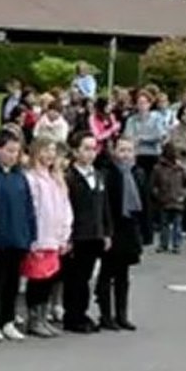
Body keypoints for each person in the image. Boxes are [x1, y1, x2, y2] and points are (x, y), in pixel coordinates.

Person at [0, 128, 36, 342]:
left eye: (16, 151)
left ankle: (8, 320)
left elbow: (28, 207)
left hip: (18, 236)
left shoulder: (20, 176)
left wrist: (30, 235)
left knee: (12, 282)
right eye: (9, 150)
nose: (13, 155)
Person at [63, 131, 112, 333]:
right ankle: (72, 316)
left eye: (94, 149)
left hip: (95, 233)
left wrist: (107, 232)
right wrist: (68, 236)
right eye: (86, 149)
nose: (91, 153)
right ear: (75, 151)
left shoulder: (98, 175)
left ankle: (82, 313)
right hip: (77, 235)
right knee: (75, 278)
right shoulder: (70, 177)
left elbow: (105, 206)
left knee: (87, 276)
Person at [23, 138, 72, 338]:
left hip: (54, 236)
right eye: (46, 150)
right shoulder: (32, 178)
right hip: (40, 236)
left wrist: (64, 234)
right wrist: (33, 237)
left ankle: (43, 315)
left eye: (53, 151)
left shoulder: (55, 179)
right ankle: (34, 318)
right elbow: (32, 209)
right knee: (37, 278)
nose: (50, 155)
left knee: (49, 278)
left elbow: (64, 207)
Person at [95, 137, 143, 331]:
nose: (125, 155)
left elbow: (144, 203)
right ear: (114, 152)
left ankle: (122, 314)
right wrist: (105, 231)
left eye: (129, 150)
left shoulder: (137, 174)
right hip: (113, 229)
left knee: (123, 274)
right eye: (122, 150)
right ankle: (106, 315)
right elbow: (104, 205)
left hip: (129, 228)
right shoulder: (107, 174)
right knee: (107, 273)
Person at [151, 141, 186, 254]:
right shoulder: (158, 169)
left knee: (175, 225)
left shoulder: (180, 169)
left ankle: (175, 245)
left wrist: (183, 194)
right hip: (166, 200)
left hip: (176, 200)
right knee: (166, 224)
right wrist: (158, 195)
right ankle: (165, 244)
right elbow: (154, 185)